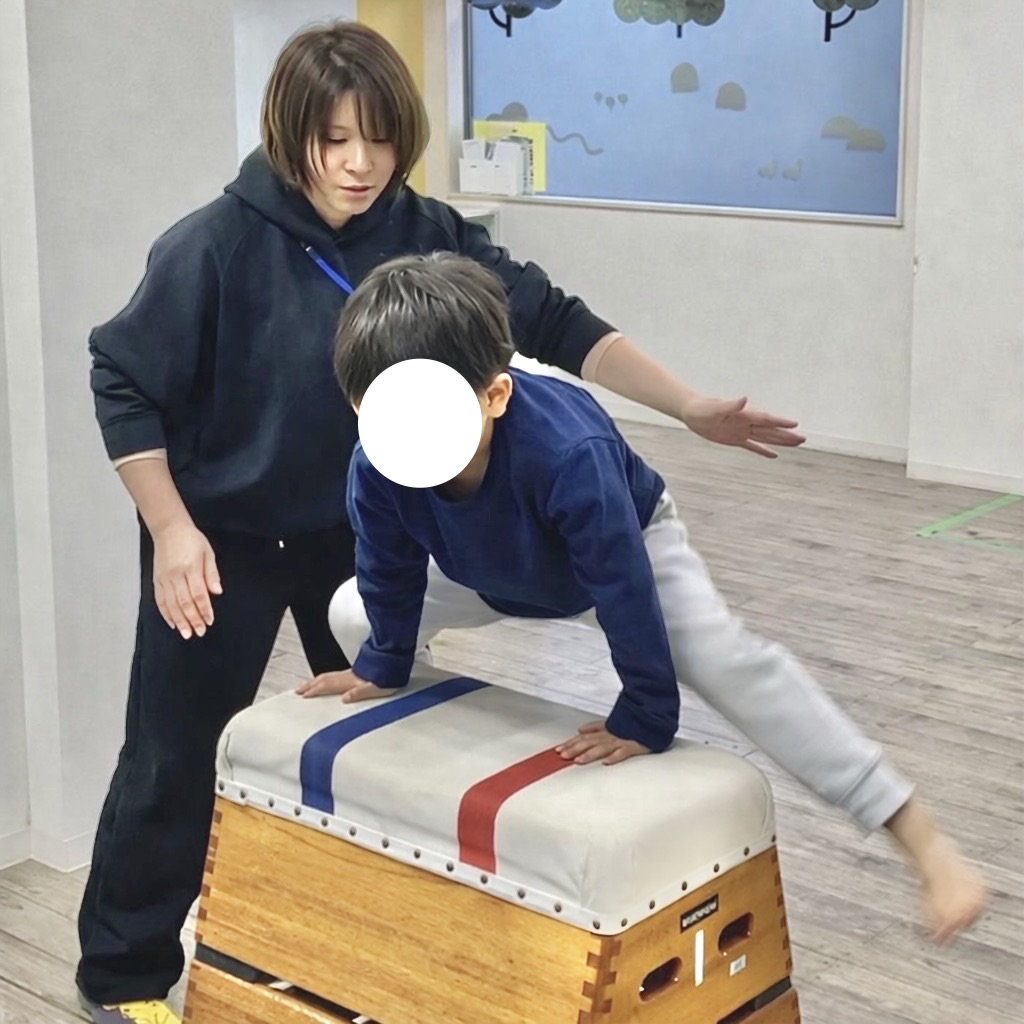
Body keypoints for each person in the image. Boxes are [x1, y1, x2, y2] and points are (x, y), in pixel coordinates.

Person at [79, 19, 808, 1024]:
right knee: (171, 756)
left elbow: (556, 320)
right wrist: (170, 529)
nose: (360, 163)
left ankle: (357, 958)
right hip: (221, 540)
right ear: (290, 134)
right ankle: (121, 977)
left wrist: (687, 406)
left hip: (359, 532)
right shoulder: (211, 245)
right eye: (335, 139)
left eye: (380, 139)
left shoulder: (430, 233)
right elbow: (122, 379)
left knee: (381, 748)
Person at [303, 252, 988, 952]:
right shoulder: (378, 460)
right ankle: (419, 781)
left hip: (622, 550)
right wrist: (384, 663)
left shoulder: (568, 451)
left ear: (495, 396)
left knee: (724, 661)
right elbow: (387, 567)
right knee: (354, 612)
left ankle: (919, 835)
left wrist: (646, 714)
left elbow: (621, 583)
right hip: (489, 570)